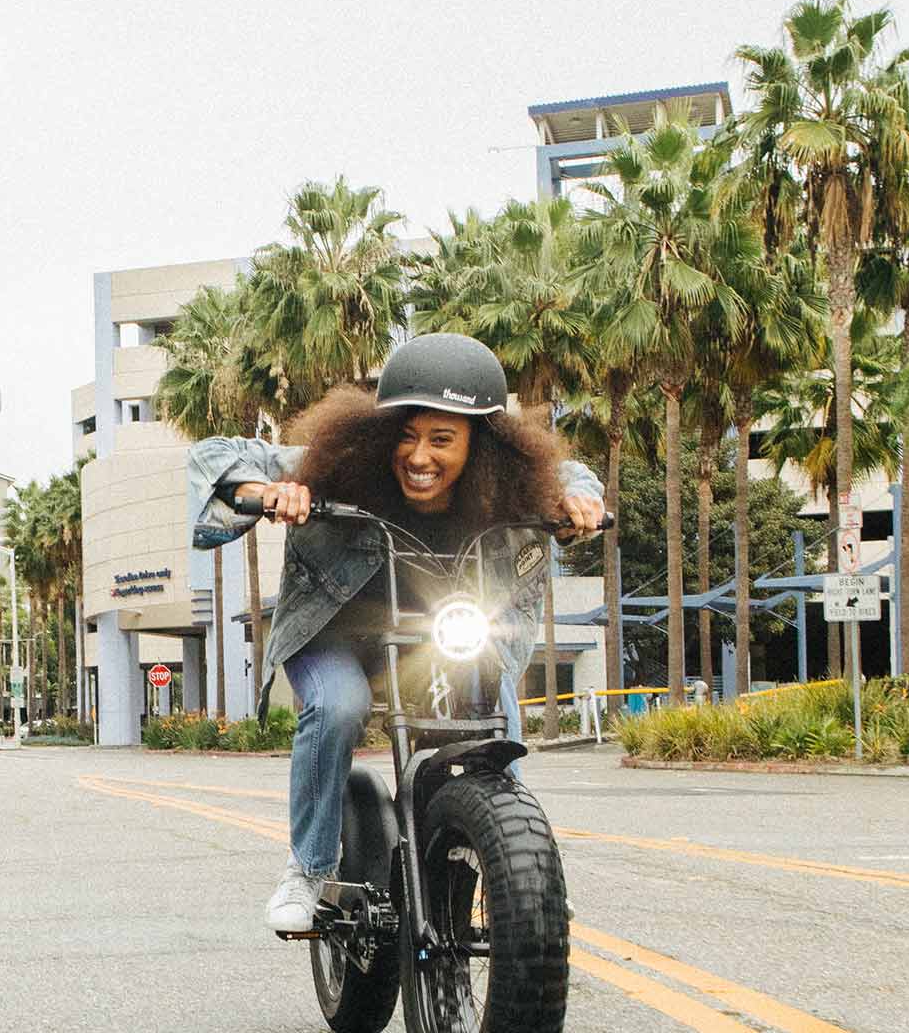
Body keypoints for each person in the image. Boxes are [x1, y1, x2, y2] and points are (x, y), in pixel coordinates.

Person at [185, 332, 604, 935]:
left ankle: (524, 875)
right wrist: (269, 493)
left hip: (441, 635)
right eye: (406, 435)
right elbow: (214, 456)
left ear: (480, 446)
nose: (419, 456)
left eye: (442, 440)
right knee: (339, 705)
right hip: (338, 635)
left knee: (497, 699)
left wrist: (580, 501)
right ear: (382, 434)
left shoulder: (510, 481)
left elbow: (573, 476)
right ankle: (307, 868)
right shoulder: (342, 465)